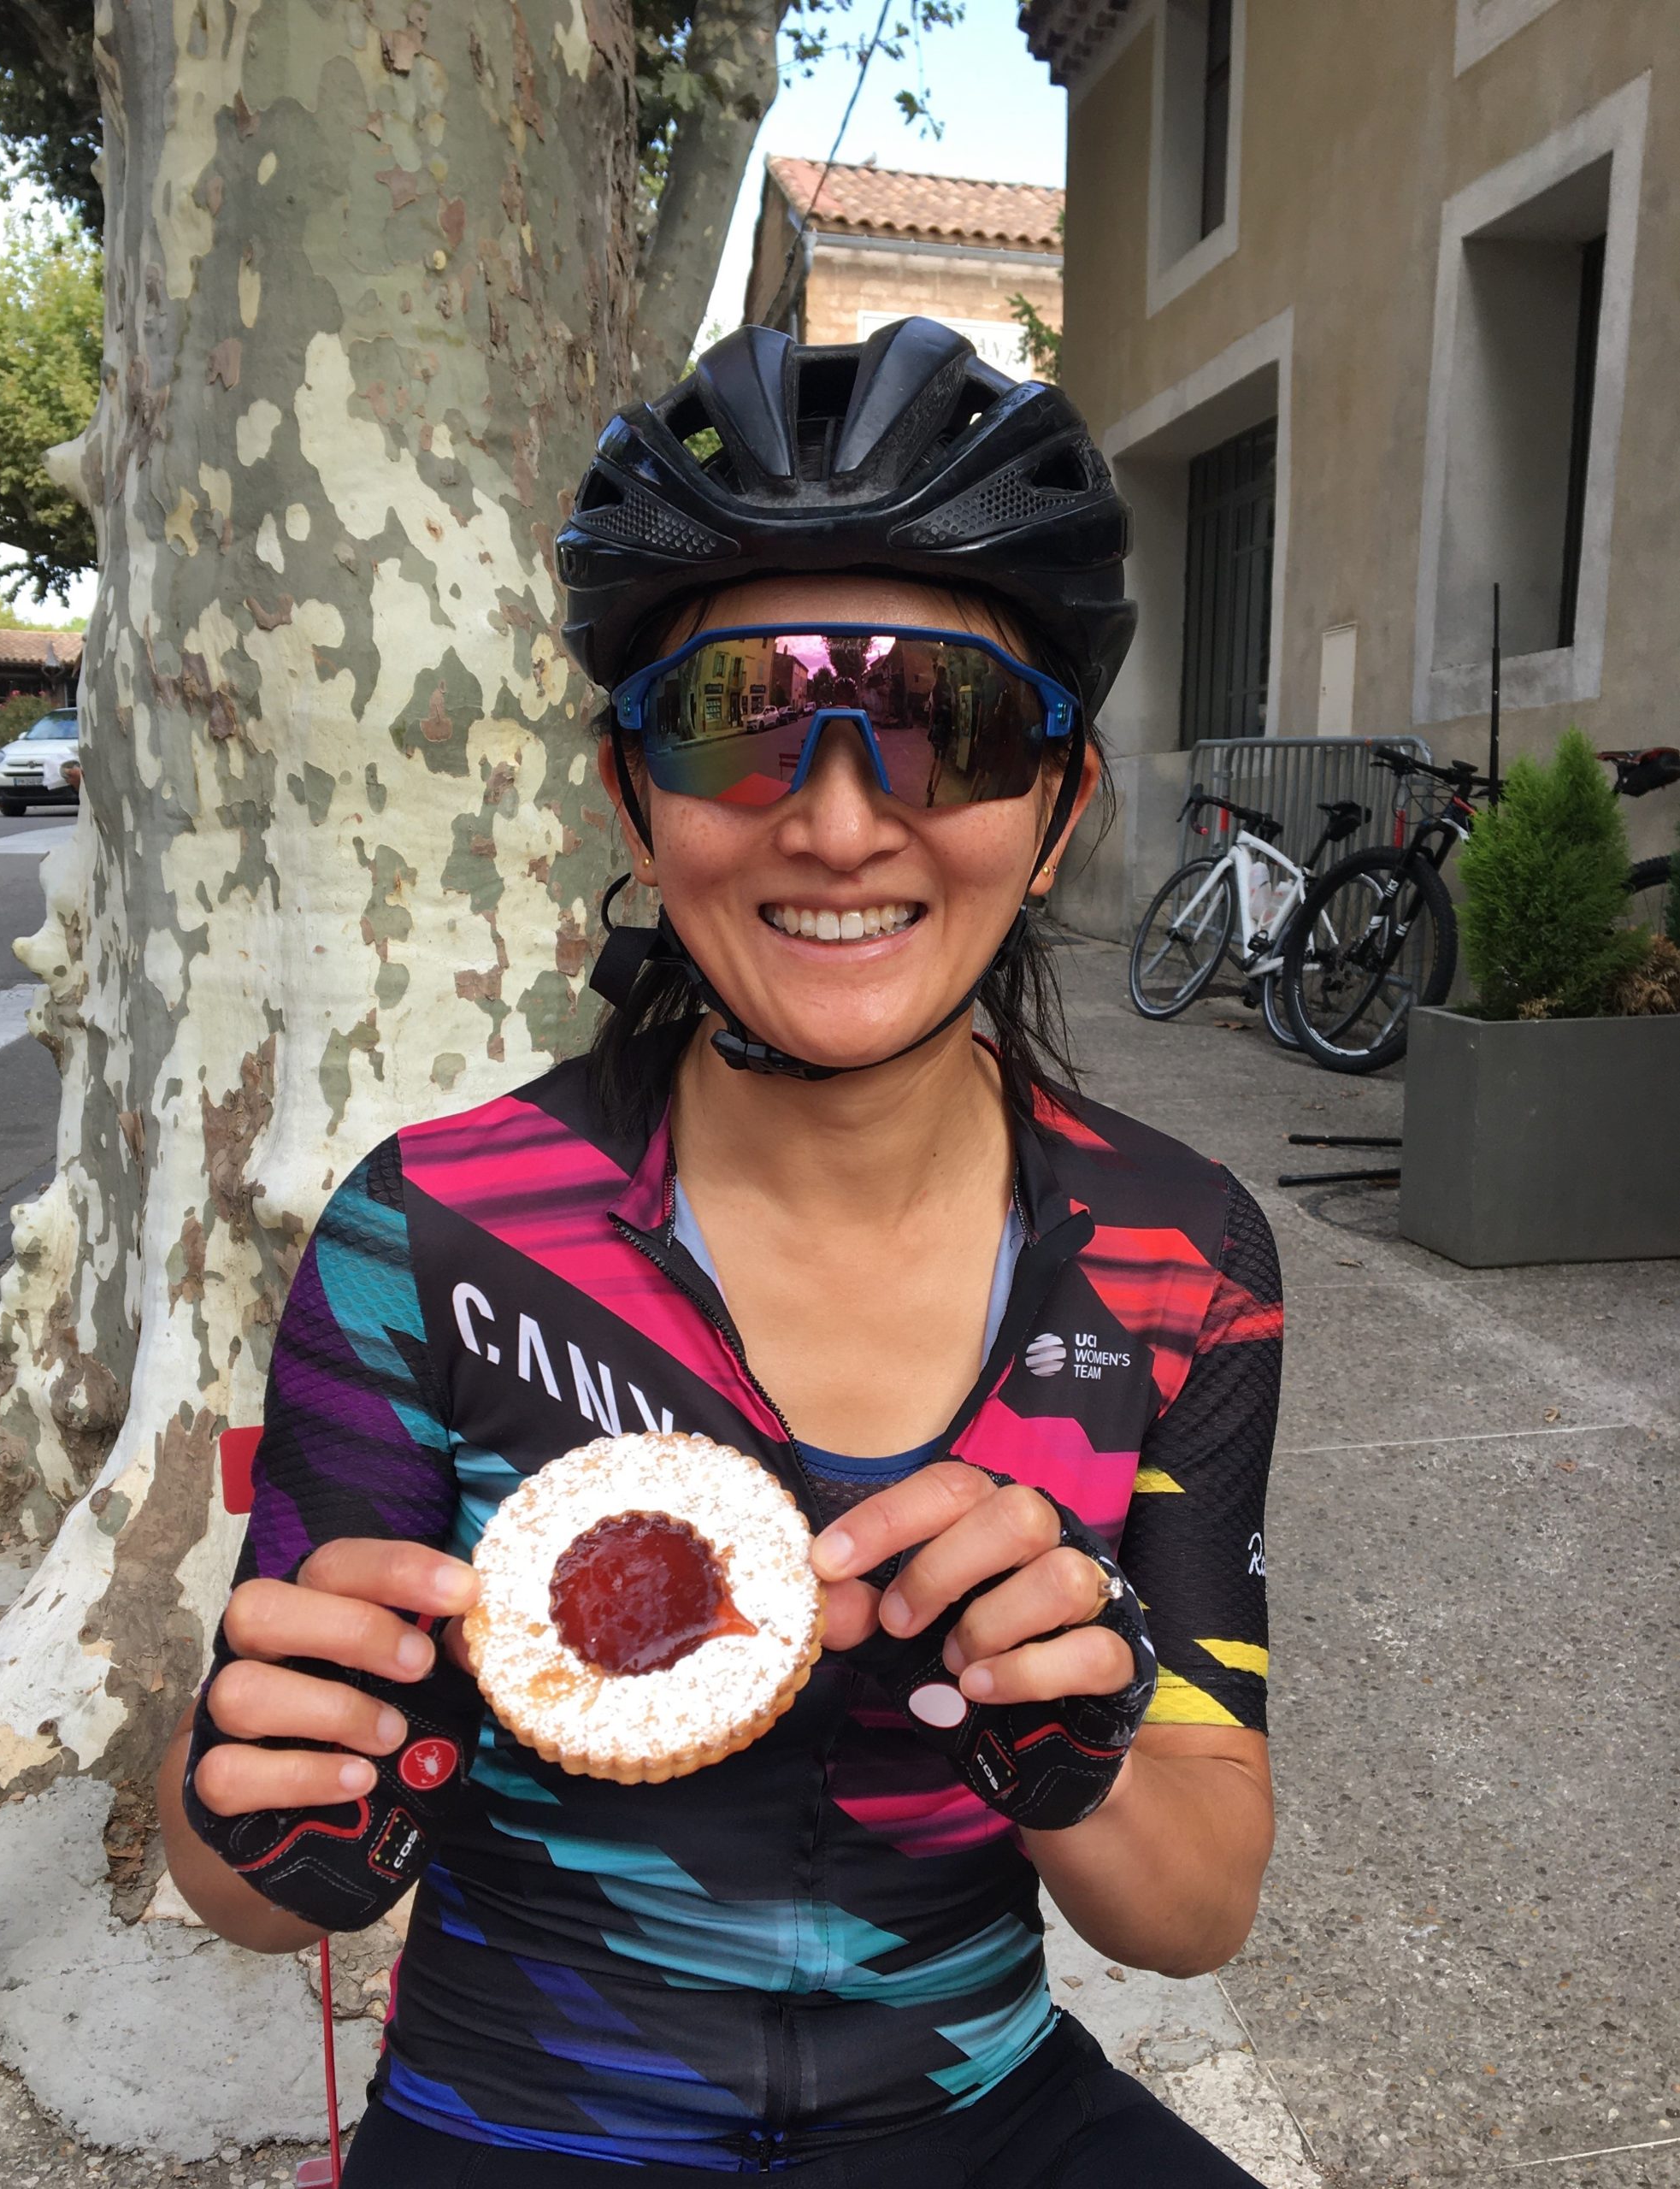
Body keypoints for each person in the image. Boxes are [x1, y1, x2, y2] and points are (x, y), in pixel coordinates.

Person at [157, 317, 1282, 2186]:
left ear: (1059, 799)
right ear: (632, 794)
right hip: (518, 2116)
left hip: (978, 2111)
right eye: (738, 714)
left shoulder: (1184, 1253)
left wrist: (1072, 1743)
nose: (841, 821)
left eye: (951, 723)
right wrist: (261, 1811)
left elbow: (1192, 1908)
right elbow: (247, 1874)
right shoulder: (427, 1231)